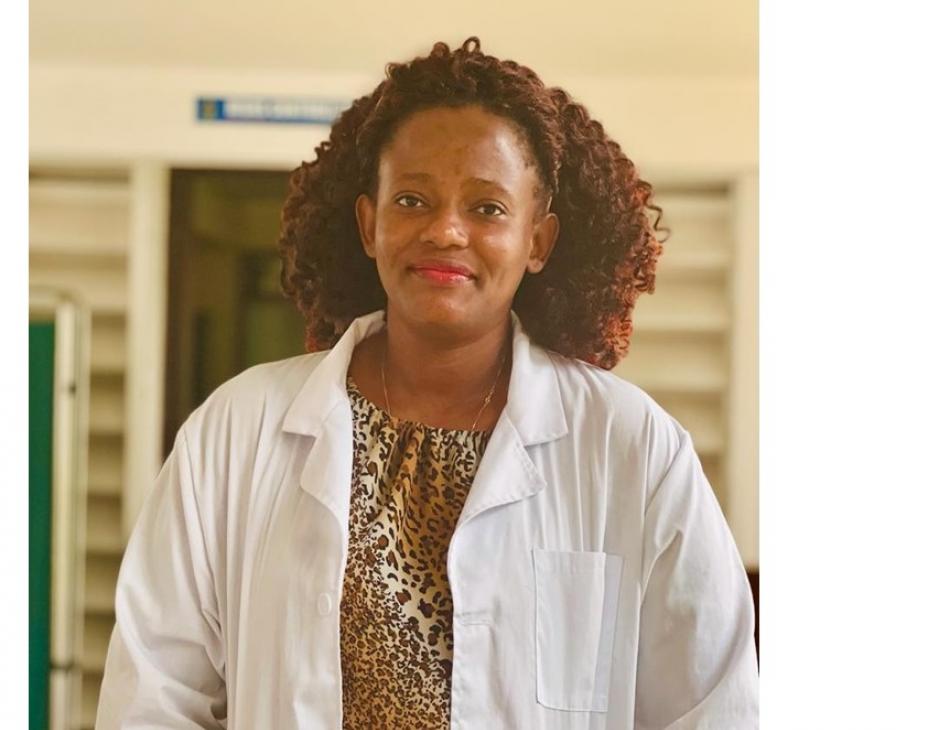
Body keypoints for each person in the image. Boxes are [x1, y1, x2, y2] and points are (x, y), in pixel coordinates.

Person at [96, 37, 758, 729]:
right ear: (368, 226)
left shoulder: (633, 448)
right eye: (412, 199)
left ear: (538, 240)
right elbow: (152, 697)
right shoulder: (233, 434)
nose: (445, 230)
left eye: (488, 208)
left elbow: (715, 707)